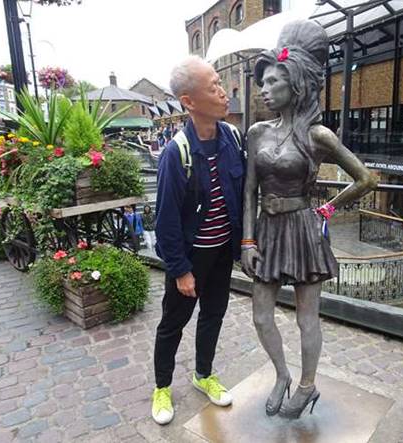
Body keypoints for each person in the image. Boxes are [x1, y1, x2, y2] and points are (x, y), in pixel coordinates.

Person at [242, 20, 377, 419]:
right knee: (261, 314)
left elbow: (366, 179)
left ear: (295, 85)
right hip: (267, 230)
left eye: (272, 82)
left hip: (302, 230)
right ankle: (282, 375)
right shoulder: (256, 132)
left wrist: (328, 209)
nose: (263, 90)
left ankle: (307, 385)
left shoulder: (319, 136)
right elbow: (249, 191)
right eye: (262, 82)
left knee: (307, 318)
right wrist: (247, 241)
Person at [151, 55, 244, 425]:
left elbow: (244, 195)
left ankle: (203, 374)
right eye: (214, 87)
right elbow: (166, 220)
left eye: (220, 83)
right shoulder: (176, 153)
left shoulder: (233, 138)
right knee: (173, 323)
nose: (223, 93)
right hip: (191, 258)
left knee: (214, 315)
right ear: (189, 101)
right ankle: (162, 387)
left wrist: (246, 244)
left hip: (222, 252)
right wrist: (180, 270)